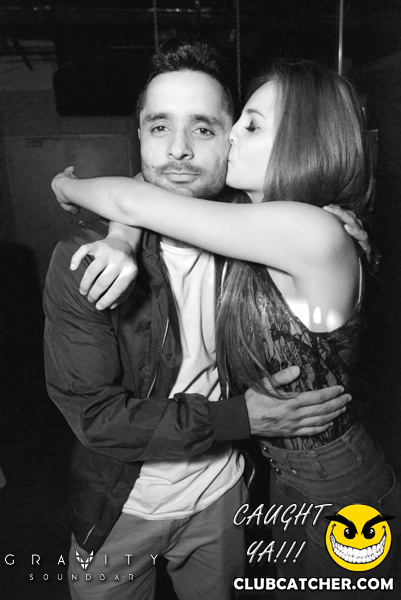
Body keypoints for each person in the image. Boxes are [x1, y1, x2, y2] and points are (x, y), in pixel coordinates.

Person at [52, 57, 399, 599]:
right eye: (159, 127)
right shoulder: (245, 225)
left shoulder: (297, 229)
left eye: (241, 127)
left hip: (323, 481)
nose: (227, 138)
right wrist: (120, 234)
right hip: (230, 482)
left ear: (300, 144)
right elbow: (147, 190)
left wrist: (66, 184)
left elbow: (135, 195)